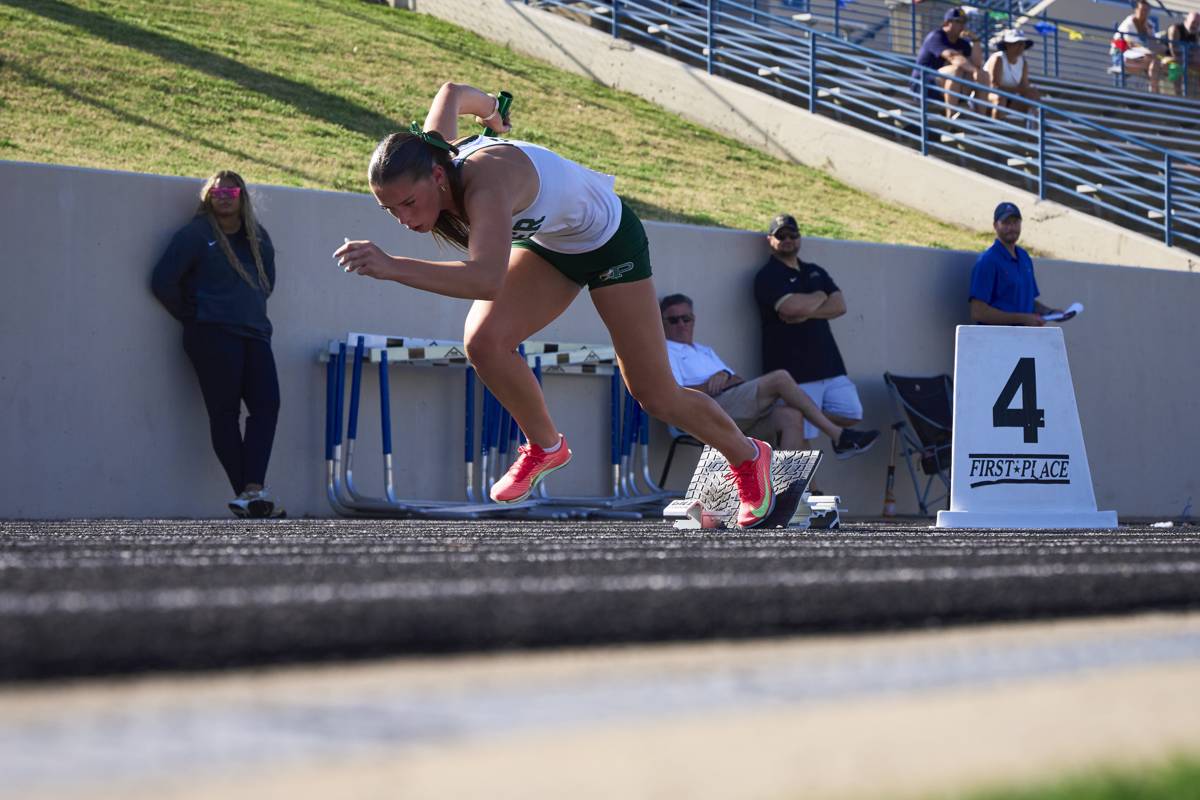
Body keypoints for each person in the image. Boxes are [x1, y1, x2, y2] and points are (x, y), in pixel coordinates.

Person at [333, 82, 777, 528]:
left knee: (655, 394)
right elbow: (449, 93)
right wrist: (492, 110)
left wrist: (392, 266)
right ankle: (546, 446)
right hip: (552, 246)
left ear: (436, 177)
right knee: (484, 342)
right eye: (390, 210)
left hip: (610, 245)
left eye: (409, 203)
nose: (405, 220)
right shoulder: (430, 149)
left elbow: (486, 280)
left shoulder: (485, 187)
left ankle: (747, 456)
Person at [151, 171, 283, 518]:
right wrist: (196, 316)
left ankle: (251, 492)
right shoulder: (196, 235)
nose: (224, 195)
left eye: (231, 190)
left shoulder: (258, 237)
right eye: (217, 190)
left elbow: (266, 281)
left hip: (255, 334)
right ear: (207, 196)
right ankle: (250, 493)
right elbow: (163, 281)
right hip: (212, 336)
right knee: (225, 414)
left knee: (267, 406)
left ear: (243, 196)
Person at [660, 293, 879, 458]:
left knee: (791, 415)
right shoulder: (666, 350)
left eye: (685, 318)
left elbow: (738, 381)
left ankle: (792, 492)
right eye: (673, 320)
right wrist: (710, 385)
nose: (681, 324)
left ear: (694, 319)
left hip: (734, 409)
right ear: (663, 323)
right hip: (706, 414)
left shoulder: (703, 350)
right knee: (780, 378)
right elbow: (673, 395)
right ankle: (838, 435)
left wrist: (724, 376)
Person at [753, 214, 871, 457]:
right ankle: (811, 491)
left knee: (852, 412)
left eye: (792, 235)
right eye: (781, 236)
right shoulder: (768, 276)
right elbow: (791, 309)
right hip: (794, 369)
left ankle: (810, 415)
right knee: (799, 435)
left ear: (799, 237)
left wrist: (807, 311)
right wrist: (820, 295)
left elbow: (840, 306)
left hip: (830, 364)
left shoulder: (814, 270)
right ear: (770, 240)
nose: (787, 240)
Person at [968, 202, 1065, 326]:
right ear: (995, 226)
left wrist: (1050, 312)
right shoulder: (988, 260)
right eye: (1006, 223)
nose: (1012, 227)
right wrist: (1022, 319)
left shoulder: (1024, 257)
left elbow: (1028, 301)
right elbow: (978, 312)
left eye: (1015, 222)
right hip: (996, 341)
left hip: (1023, 339)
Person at [913, 7, 985, 118]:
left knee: (983, 74)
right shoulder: (936, 36)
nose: (962, 25)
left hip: (946, 86)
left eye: (964, 22)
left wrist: (975, 40)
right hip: (923, 85)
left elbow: (977, 64)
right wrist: (974, 70)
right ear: (947, 22)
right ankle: (950, 116)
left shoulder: (963, 43)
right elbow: (952, 56)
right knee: (956, 69)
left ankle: (982, 118)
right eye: (958, 21)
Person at [985, 29, 1040, 121]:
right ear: (1007, 45)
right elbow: (994, 86)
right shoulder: (998, 58)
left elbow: (1024, 86)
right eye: (1016, 43)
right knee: (1000, 98)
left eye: (1022, 44)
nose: (1020, 47)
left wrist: (1030, 91)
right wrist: (1020, 90)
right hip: (984, 96)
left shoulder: (1023, 62)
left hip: (1010, 98)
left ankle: (1035, 127)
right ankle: (996, 129)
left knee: (1033, 95)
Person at [1111, 0, 1163, 94]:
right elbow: (1127, 43)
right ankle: (1154, 92)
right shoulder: (1129, 23)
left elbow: (1154, 44)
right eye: (1142, 10)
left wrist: (1150, 33)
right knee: (1154, 63)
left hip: (1142, 57)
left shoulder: (1149, 25)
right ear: (1136, 10)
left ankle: (1154, 92)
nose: (1144, 13)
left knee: (1157, 63)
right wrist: (1146, 51)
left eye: (1146, 11)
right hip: (1123, 56)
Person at [1165, 11, 1200, 96]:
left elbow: (1197, 55)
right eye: (1193, 22)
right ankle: (1178, 97)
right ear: (1186, 20)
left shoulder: (1196, 34)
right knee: (1176, 66)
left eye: (1198, 24)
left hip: (1185, 60)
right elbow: (1174, 52)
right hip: (1167, 58)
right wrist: (1191, 55)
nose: (1195, 25)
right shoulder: (1175, 29)